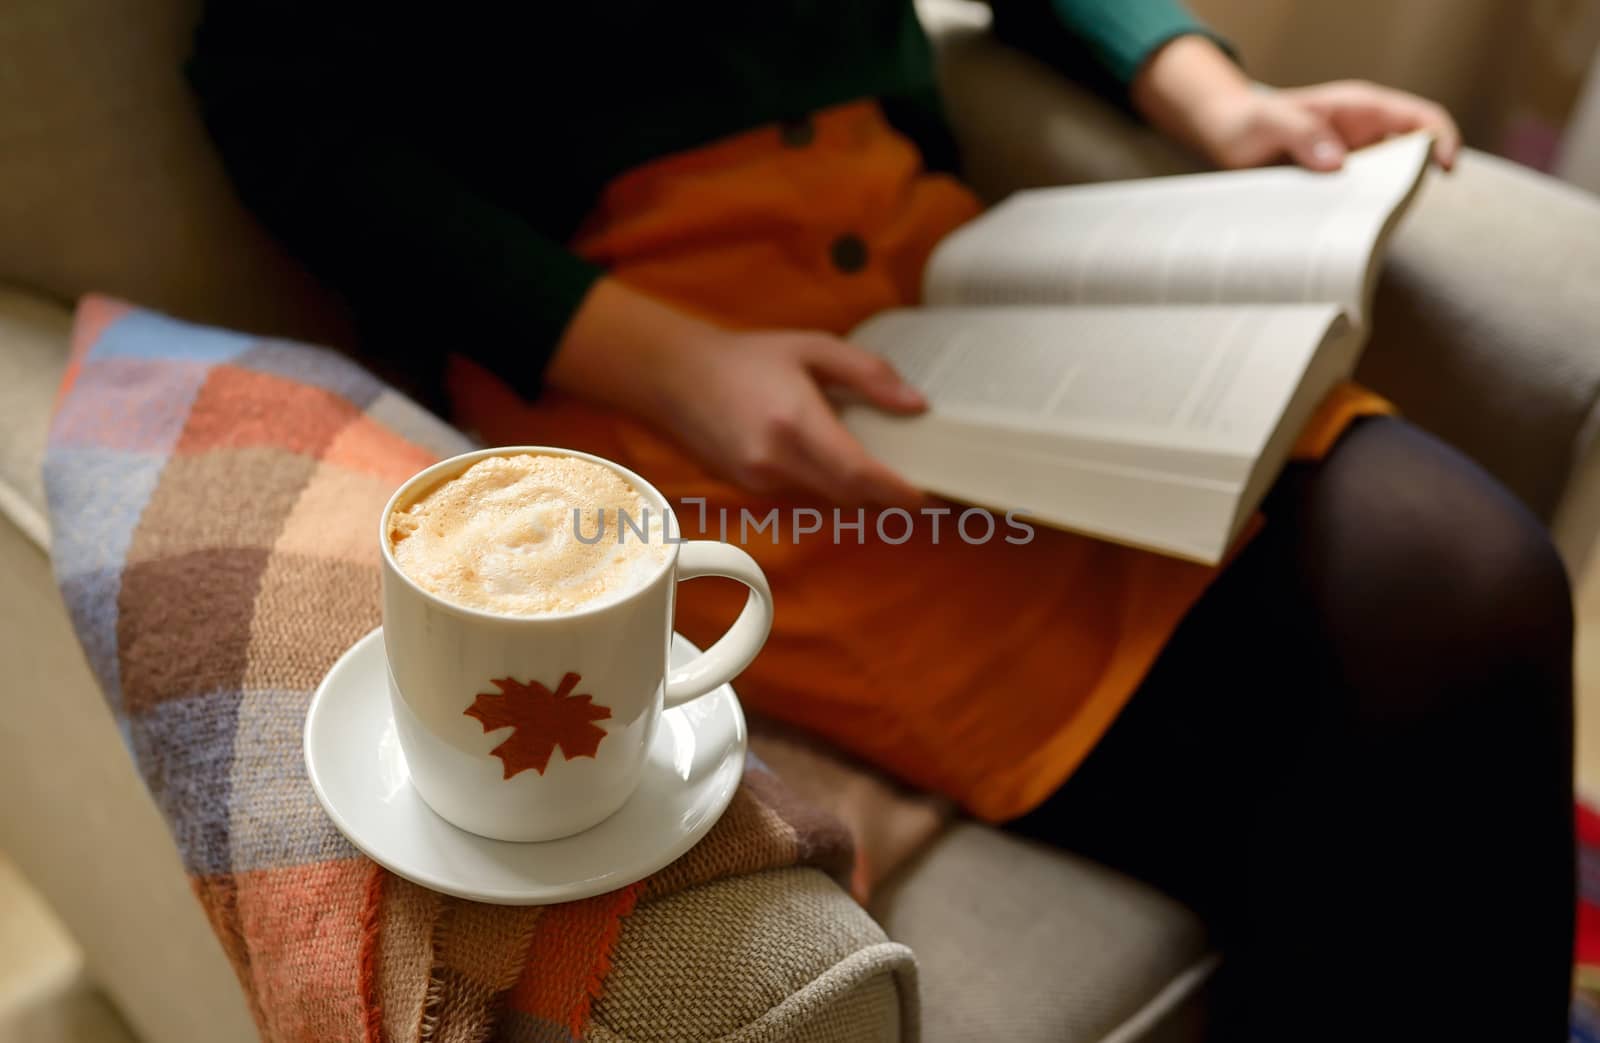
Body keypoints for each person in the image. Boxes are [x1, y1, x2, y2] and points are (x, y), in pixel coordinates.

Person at [188, 3, 1572, 1038]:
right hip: (654, 343)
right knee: (1360, 768)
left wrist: (1208, 91)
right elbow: (279, 108)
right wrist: (669, 360)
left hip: (939, 261)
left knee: (1474, 579)